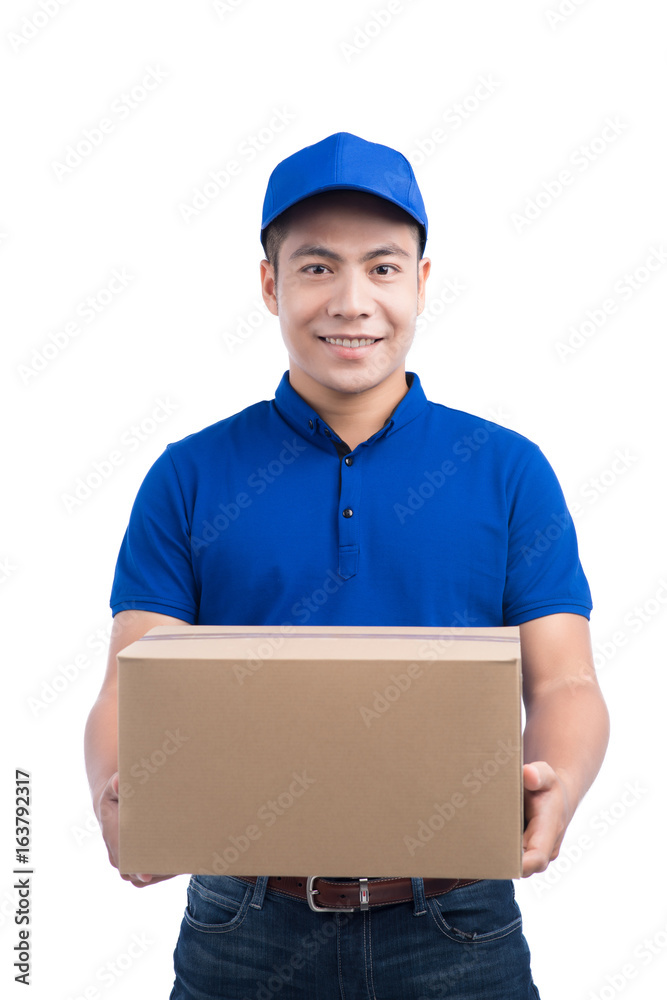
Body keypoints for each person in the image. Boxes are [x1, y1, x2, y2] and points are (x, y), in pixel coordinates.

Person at [84, 132, 610, 999]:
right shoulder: (190, 474)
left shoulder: (507, 470)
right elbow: (128, 682)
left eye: (382, 268)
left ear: (421, 283)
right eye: (319, 268)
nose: (353, 301)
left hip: (455, 924)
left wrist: (559, 788)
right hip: (240, 929)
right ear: (271, 285)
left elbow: (564, 684)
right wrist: (117, 791)